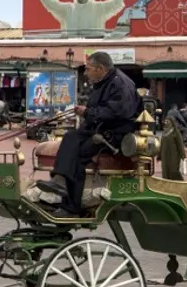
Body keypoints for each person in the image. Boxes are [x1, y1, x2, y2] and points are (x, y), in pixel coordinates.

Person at [36, 51, 142, 217]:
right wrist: (85, 115)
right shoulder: (104, 82)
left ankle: (72, 207)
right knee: (71, 137)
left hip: (115, 135)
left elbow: (118, 113)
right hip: (100, 128)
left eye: (88, 69)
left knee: (79, 154)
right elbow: (97, 110)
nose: (86, 73)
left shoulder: (121, 84)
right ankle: (59, 180)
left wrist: (87, 112)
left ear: (100, 68)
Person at [159, 115, 185, 181]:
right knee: (165, 171)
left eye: (168, 121)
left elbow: (180, 145)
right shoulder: (164, 133)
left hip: (174, 156)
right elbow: (161, 145)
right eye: (165, 121)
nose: (166, 122)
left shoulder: (176, 132)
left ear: (172, 122)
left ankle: (181, 184)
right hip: (165, 156)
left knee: (173, 171)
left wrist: (183, 155)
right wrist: (159, 155)